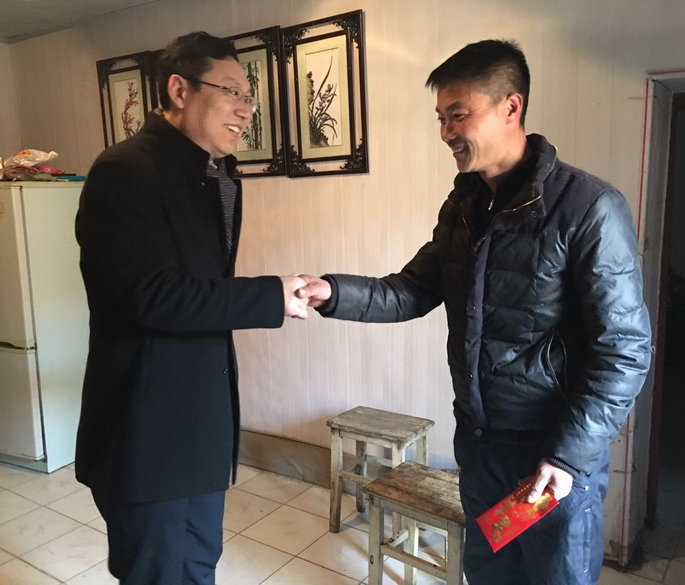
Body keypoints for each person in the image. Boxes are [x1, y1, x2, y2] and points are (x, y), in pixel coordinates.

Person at [298, 39, 652, 585]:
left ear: (511, 107)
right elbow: (411, 291)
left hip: (550, 458)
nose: (446, 132)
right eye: (440, 118)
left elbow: (624, 350)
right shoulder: (464, 206)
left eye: (458, 114)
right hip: (482, 446)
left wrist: (568, 457)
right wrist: (331, 291)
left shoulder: (587, 208)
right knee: (488, 574)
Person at [75, 31, 308, 585]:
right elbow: (150, 297)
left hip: (200, 420)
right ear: (179, 91)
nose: (245, 110)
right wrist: (271, 295)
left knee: (197, 562)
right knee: (161, 570)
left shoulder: (216, 174)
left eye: (248, 97)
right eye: (231, 92)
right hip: (150, 427)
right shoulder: (125, 171)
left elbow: (200, 291)